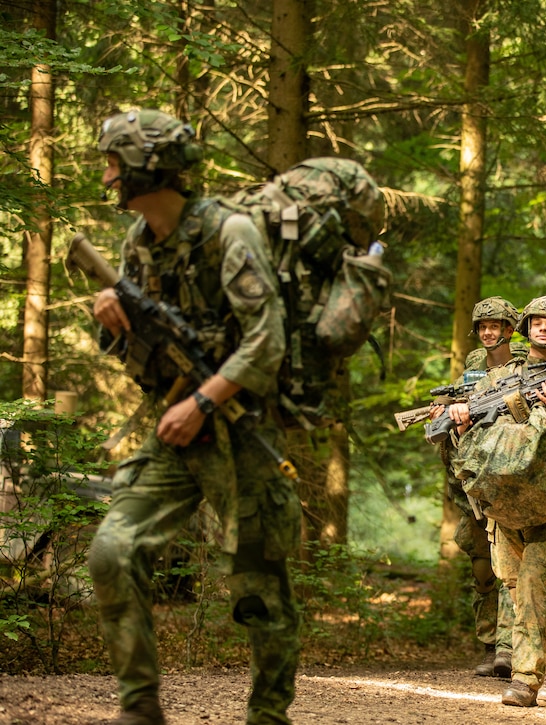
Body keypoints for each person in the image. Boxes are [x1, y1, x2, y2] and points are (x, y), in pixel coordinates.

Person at [86, 109, 301, 725]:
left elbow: (268, 342)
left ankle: (267, 716)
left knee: (258, 589)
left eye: (112, 162)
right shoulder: (137, 244)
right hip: (175, 429)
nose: (106, 175)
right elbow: (143, 352)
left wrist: (203, 400)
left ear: (147, 167)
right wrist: (112, 323)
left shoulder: (231, 233)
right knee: (112, 551)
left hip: (240, 430)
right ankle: (140, 707)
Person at [447, 295, 546, 707]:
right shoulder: (496, 378)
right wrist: (460, 425)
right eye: (537, 320)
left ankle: (524, 679)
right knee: (521, 595)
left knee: (533, 586)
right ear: (525, 327)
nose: (544, 327)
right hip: (503, 507)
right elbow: (472, 443)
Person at [434, 297, 522, 678]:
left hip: (508, 481)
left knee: (510, 567)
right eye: (483, 326)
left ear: (509, 329)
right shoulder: (469, 372)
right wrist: (445, 417)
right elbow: (447, 436)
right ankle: (489, 645)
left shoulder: (524, 368)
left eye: (496, 325)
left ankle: (508, 648)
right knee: (482, 569)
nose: (488, 332)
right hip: (471, 484)